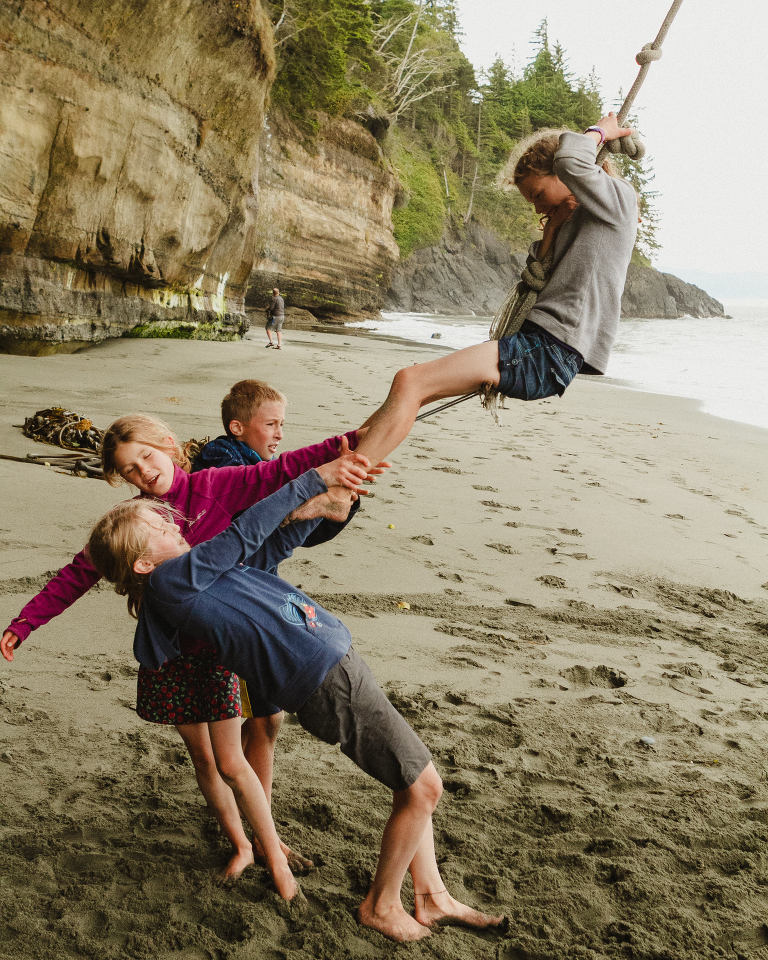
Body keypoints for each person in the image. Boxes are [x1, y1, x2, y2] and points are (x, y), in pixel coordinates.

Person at [86, 469, 505, 943]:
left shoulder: (198, 577)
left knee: (411, 779)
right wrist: (312, 481)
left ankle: (431, 896)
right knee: (424, 788)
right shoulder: (171, 582)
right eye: (159, 529)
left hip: (335, 664)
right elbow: (245, 533)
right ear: (144, 564)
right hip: (326, 682)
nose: (173, 525)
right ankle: (381, 906)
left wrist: (325, 508)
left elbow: (268, 550)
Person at [1, 412, 377, 879]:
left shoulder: (213, 485)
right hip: (175, 656)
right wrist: (25, 623)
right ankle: (243, 843)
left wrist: (346, 440)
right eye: (130, 469)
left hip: (233, 640)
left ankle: (269, 840)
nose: (143, 472)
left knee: (259, 730)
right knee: (206, 758)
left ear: (168, 445)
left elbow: (277, 472)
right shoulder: (134, 522)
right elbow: (77, 573)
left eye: (146, 456)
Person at [350, 113, 638, 471]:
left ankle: (342, 485)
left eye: (538, 194)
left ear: (561, 174)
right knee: (412, 389)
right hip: (542, 346)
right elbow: (541, 271)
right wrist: (552, 230)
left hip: (549, 350)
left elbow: (571, 160)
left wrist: (598, 132)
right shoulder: (575, 219)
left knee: (410, 381)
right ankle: (344, 458)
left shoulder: (619, 202)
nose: (537, 207)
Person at [193, 379, 286, 471]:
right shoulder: (220, 454)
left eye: (281, 424)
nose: (280, 435)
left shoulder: (266, 459)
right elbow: (241, 479)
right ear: (237, 428)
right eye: (270, 424)